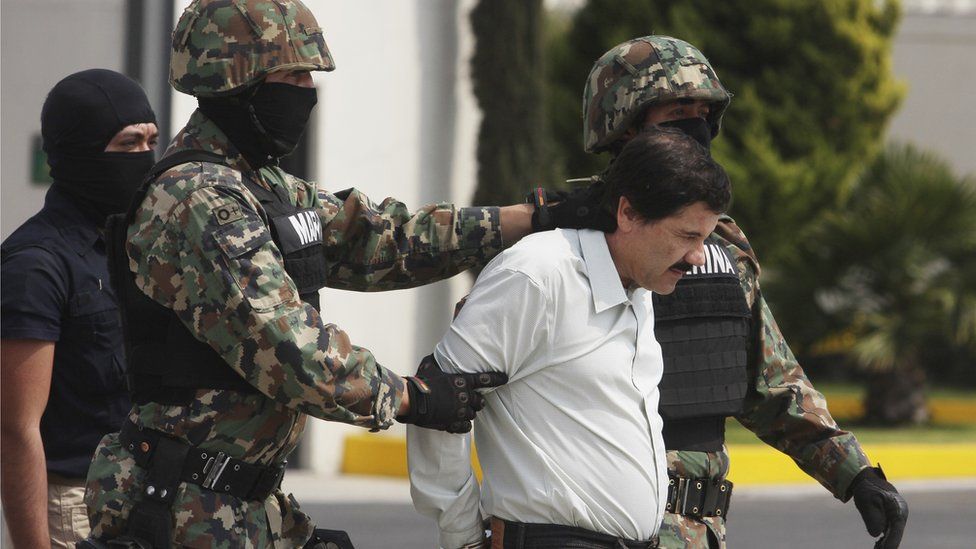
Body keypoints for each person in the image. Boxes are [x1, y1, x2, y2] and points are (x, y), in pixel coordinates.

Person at [82, 1, 603, 547]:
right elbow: (287, 347)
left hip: (241, 500)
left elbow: (380, 239)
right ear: (237, 82)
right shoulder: (198, 200)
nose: (307, 91)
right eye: (293, 75)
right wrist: (411, 396)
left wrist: (529, 218)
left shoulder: (264, 187)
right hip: (185, 506)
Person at [578, 35, 908, 548]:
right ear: (624, 128)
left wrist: (856, 474)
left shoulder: (722, 247)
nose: (693, 126)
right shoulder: (563, 241)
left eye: (700, 112)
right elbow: (479, 379)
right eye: (674, 112)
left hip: (694, 533)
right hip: (592, 528)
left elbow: (770, 382)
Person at [408, 127, 734, 549]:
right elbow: (438, 400)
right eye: (687, 236)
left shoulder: (641, 286)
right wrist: (463, 538)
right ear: (629, 214)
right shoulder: (537, 275)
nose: (698, 256)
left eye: (705, 238)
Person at [0, 69, 158, 549]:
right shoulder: (35, 264)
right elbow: (15, 428)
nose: (145, 158)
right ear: (76, 155)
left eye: (151, 140)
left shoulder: (144, 244)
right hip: (75, 509)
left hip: (151, 497)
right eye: (127, 143)